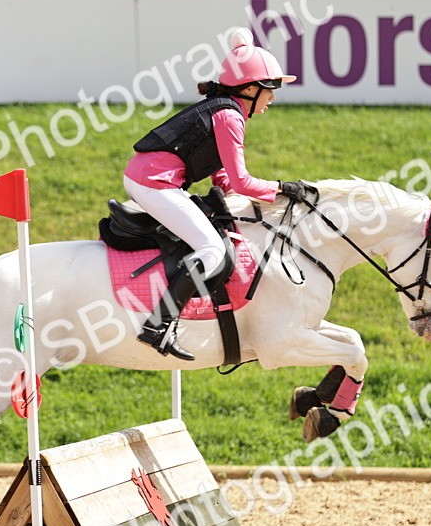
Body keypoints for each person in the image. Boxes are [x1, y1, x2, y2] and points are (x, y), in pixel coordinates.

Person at [123, 27, 302, 360]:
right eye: (271, 89)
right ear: (250, 88)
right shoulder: (230, 116)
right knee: (212, 250)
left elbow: (225, 177)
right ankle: (157, 326)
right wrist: (283, 189)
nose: (273, 99)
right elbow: (244, 181)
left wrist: (240, 197)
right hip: (154, 183)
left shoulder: (223, 108)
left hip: (151, 178)